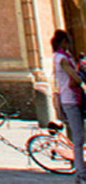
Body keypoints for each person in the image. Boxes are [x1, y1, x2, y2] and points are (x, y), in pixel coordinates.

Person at [52, 29, 85, 184]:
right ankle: (81, 173)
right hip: (70, 100)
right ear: (63, 42)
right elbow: (76, 79)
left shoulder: (59, 57)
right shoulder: (62, 59)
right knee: (79, 138)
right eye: (68, 42)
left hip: (71, 100)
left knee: (79, 137)